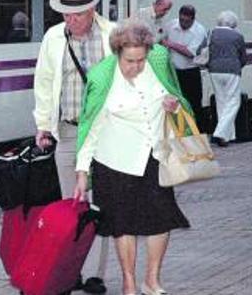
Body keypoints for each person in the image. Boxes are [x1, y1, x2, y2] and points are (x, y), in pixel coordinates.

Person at [74, 21, 192, 295]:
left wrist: (173, 106)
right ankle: (128, 281)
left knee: (162, 218)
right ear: (117, 53)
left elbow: (177, 98)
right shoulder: (102, 77)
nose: (136, 66)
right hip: (114, 160)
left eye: (141, 60)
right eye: (130, 60)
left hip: (153, 155)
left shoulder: (158, 62)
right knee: (123, 222)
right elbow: (89, 128)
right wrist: (82, 173)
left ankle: (152, 280)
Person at [33, 0, 111, 294]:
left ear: (92, 9)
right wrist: (43, 125)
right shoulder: (53, 38)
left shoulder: (112, 35)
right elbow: (44, 81)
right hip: (68, 131)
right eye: (66, 13)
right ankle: (72, 269)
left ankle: (95, 274)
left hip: (107, 135)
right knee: (72, 203)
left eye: (77, 13)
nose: (71, 19)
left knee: (101, 204)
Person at [161, 4, 207, 126]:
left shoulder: (199, 30)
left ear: (192, 19)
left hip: (190, 71)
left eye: (187, 21)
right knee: (173, 101)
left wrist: (170, 44)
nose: (183, 23)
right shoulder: (171, 25)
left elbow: (190, 53)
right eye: (181, 20)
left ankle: (196, 130)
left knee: (194, 102)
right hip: (173, 71)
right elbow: (161, 39)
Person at [207, 10, 248, 147]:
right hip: (232, 70)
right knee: (233, 102)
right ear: (233, 24)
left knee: (221, 102)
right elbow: (243, 57)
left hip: (214, 70)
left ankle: (228, 136)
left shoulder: (211, 34)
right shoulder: (237, 36)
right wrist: (238, 66)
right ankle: (220, 133)